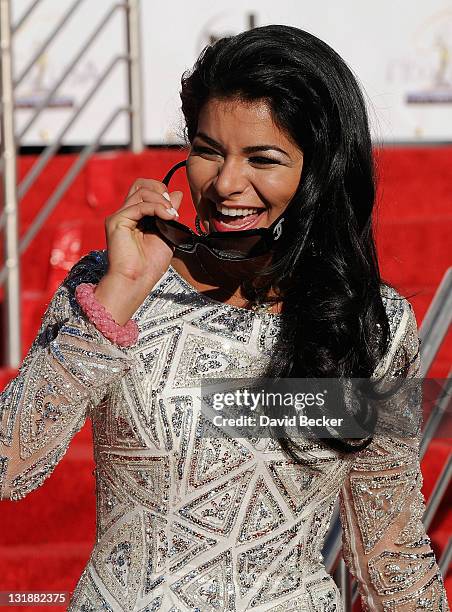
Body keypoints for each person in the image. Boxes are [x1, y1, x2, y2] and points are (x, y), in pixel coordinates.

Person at [0, 24, 449, 612]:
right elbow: (10, 469)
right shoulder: (107, 288)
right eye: (209, 151)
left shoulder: (367, 322)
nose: (227, 183)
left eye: (262, 159)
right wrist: (116, 301)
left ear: (321, 172)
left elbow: (392, 549)